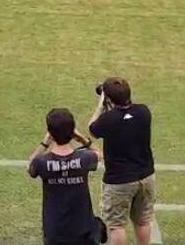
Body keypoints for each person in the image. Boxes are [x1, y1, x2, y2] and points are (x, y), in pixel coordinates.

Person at [88, 77, 156, 245]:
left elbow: (92, 128)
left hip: (119, 181)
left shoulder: (108, 120)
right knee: (143, 220)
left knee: (116, 225)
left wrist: (101, 105)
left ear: (109, 99)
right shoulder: (144, 112)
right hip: (146, 176)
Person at [28, 108, 104, 245]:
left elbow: (30, 167)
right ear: (72, 131)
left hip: (55, 231)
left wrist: (44, 143)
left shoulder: (42, 162)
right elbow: (99, 153)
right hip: (83, 230)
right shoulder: (85, 158)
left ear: (50, 133)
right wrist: (82, 139)